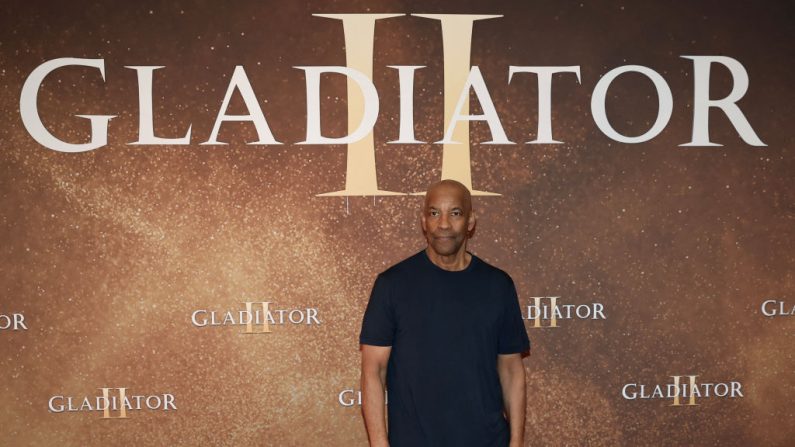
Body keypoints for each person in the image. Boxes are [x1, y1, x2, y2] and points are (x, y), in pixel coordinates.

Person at [359, 179, 531, 447]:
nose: (444, 224)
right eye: (434, 212)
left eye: (455, 213)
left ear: (471, 221)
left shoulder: (498, 285)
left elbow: (511, 369)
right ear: (423, 221)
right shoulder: (392, 285)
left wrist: (517, 443)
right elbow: (373, 370)